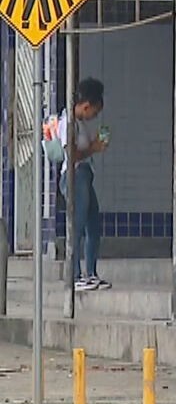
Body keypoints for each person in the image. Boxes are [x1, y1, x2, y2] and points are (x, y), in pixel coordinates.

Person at [44, 77, 109, 291]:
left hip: (85, 176)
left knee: (93, 225)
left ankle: (90, 273)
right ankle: (74, 275)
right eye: (94, 112)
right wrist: (93, 149)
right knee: (78, 225)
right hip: (75, 176)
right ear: (86, 106)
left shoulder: (80, 124)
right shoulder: (68, 123)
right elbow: (71, 155)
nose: (94, 117)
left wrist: (95, 145)